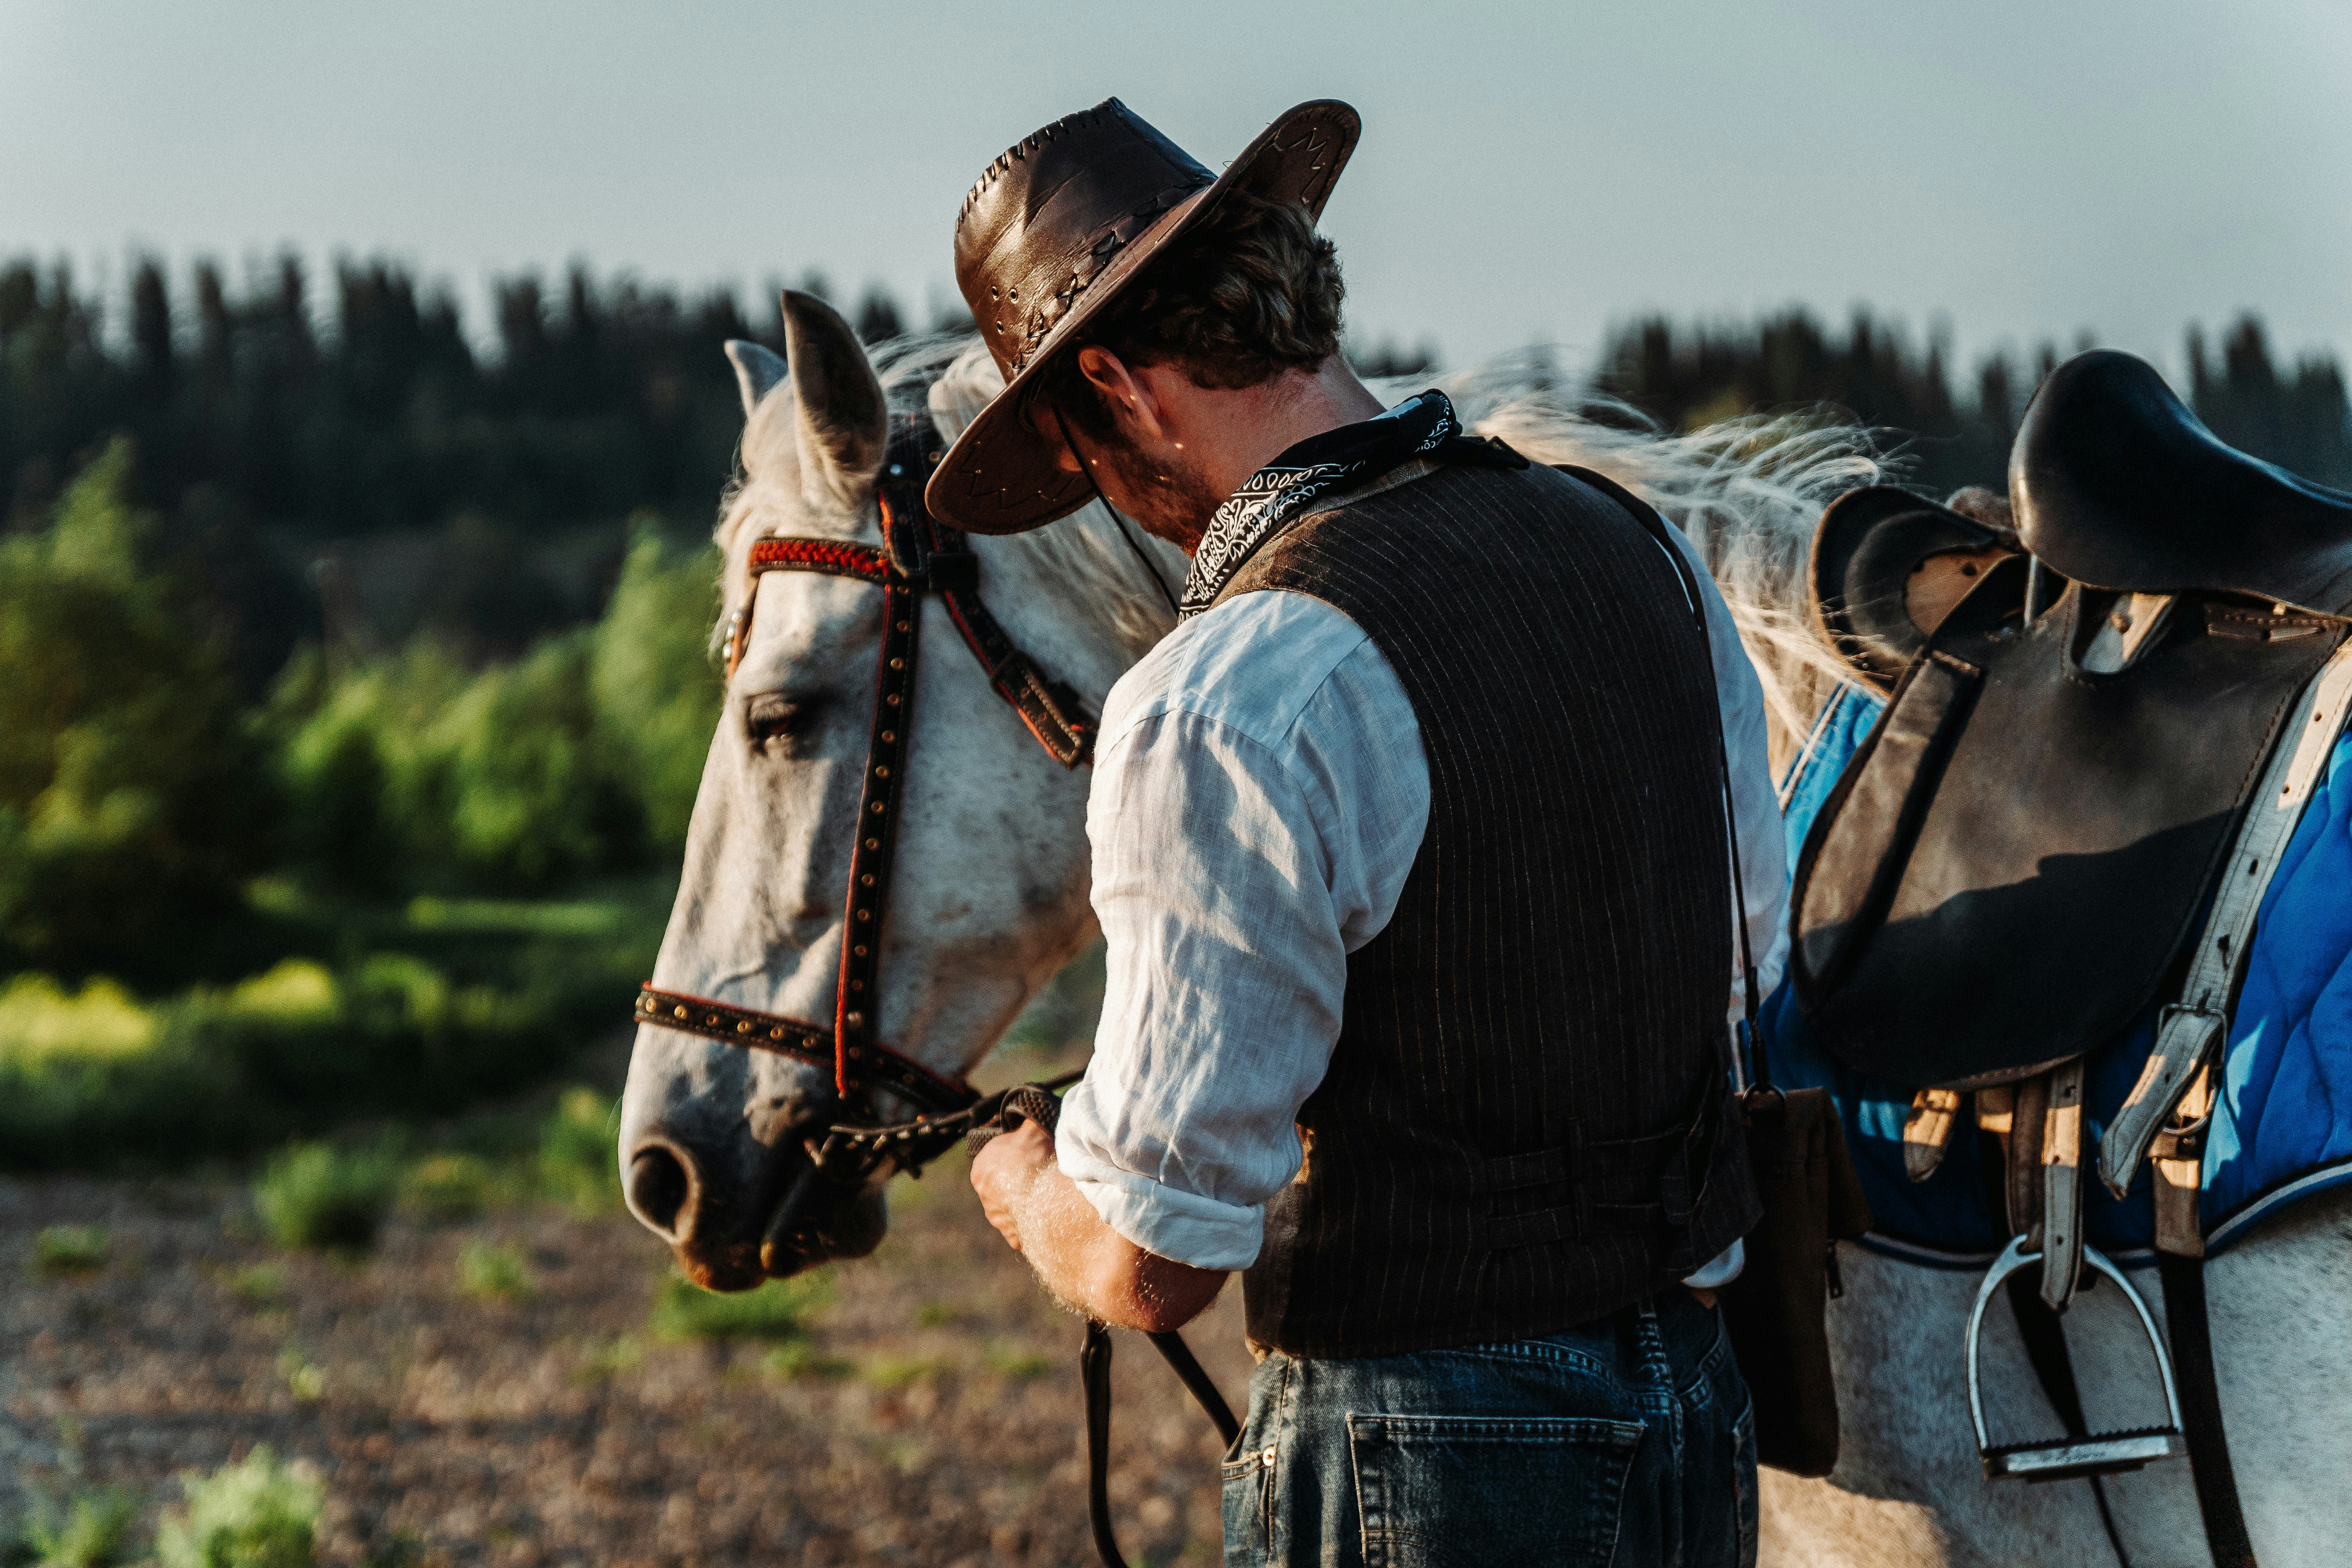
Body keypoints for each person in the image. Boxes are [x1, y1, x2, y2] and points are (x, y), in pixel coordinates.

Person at [933, 97, 1788, 1568]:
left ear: (1122, 389)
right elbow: (1745, 969)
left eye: (1079, 444)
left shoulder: (1221, 697)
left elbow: (1153, 1262)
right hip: (1697, 1409)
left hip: (1429, 1452)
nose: (1106, 492)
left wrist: (1028, 1190)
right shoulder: (1638, 551)